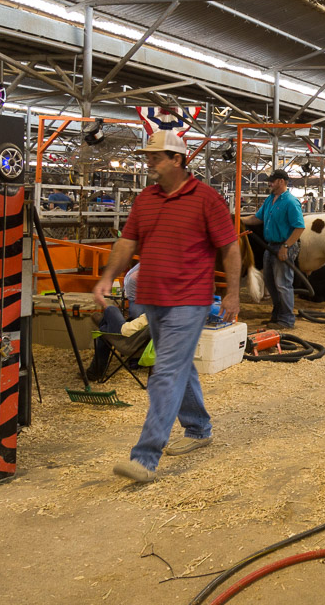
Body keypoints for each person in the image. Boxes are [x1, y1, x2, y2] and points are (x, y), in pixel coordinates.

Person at [93, 130, 240, 484]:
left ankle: (145, 458)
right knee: (177, 366)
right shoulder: (146, 199)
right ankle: (199, 428)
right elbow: (127, 242)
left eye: (157, 157)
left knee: (165, 373)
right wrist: (108, 276)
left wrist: (232, 292)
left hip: (189, 299)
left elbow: (230, 247)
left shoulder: (206, 199)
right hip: (152, 297)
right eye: (149, 157)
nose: (150, 163)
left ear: (178, 159)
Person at [243, 169, 305, 330]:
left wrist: (286, 246)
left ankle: (286, 319)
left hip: (284, 246)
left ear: (281, 181)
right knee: (271, 283)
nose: (269, 183)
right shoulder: (271, 199)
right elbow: (257, 218)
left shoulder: (291, 202)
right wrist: (237, 218)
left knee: (283, 283)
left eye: (272, 181)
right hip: (270, 246)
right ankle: (277, 315)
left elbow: (299, 227)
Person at [87, 262, 145, 380]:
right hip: (134, 334)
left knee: (110, 310)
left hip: (127, 335)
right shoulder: (161, 314)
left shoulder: (152, 314)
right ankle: (104, 324)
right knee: (104, 330)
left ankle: (104, 322)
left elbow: (132, 328)